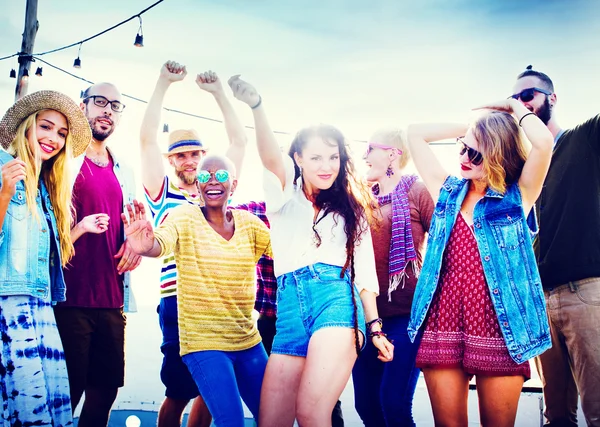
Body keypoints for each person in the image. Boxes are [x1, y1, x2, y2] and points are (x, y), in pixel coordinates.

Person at [229, 76, 394, 427]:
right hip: (289, 311)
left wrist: (375, 328)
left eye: (333, 157)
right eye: (316, 157)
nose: (326, 165)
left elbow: (364, 276)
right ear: (298, 159)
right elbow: (271, 157)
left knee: (312, 413)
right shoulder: (283, 198)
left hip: (334, 301)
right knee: (271, 420)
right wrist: (257, 107)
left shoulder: (352, 208)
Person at [406, 99, 554, 426]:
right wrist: (475, 128)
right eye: (462, 149)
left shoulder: (518, 196)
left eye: (474, 154)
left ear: (498, 154)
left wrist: (514, 110)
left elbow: (544, 143)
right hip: (444, 319)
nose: (463, 159)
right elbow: (414, 134)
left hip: (500, 326)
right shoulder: (446, 192)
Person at [122, 153, 271, 427]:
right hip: (203, 342)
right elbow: (160, 243)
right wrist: (145, 245)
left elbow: (286, 259)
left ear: (234, 184)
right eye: (205, 176)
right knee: (232, 421)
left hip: (247, 341)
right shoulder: (184, 217)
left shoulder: (250, 225)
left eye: (221, 175)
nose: (213, 180)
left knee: (274, 418)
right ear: (198, 186)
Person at [140, 60, 250, 427]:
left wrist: (219, 93)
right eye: (181, 155)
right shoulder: (164, 193)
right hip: (179, 301)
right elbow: (146, 140)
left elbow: (238, 141)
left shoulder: (218, 188)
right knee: (178, 390)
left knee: (211, 389)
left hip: (222, 300)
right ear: (172, 160)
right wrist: (163, 82)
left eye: (195, 153)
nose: (190, 161)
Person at [0, 90, 96, 426]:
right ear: (27, 126)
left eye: (61, 133)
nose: (53, 138)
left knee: (45, 408)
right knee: (26, 410)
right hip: (8, 304)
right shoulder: (2, 168)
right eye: (45, 126)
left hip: (39, 304)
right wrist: (5, 193)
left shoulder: (44, 186)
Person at [512, 66, 600, 427]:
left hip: (586, 295)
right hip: (541, 302)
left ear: (552, 98)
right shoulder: (520, 168)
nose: (521, 104)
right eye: (514, 100)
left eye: (527, 95)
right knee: (556, 418)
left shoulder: (585, 139)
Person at [53, 82, 140, 426]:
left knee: (105, 392)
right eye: (100, 102)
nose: (107, 110)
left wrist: (135, 242)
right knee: (67, 392)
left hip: (112, 298)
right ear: (83, 106)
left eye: (115, 105)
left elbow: (134, 224)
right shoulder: (63, 161)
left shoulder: (125, 172)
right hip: (69, 297)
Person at [352, 128, 434, 426]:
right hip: (364, 317)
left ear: (392, 153)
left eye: (370, 148)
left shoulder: (417, 191)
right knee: (366, 405)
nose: (364, 155)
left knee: (394, 403)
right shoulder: (359, 200)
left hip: (406, 316)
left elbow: (443, 245)